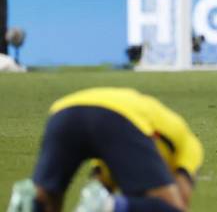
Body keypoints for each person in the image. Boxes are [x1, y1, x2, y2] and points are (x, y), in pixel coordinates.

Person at [6, 87, 203, 212]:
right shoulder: (191, 148)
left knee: (49, 197)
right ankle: (112, 206)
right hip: (119, 117)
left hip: (63, 112)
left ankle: (31, 201)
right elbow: (181, 202)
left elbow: (97, 190)